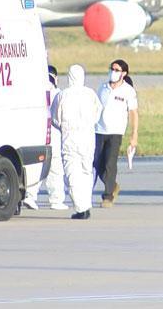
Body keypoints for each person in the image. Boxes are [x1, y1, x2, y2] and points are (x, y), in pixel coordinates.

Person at [51, 64, 102, 219]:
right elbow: (98, 113)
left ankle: (81, 208)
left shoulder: (62, 95)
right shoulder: (90, 94)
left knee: (72, 174)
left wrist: (63, 127)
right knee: (86, 171)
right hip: (88, 138)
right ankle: (86, 204)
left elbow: (54, 117)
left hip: (70, 138)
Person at [93, 59, 139, 208]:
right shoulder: (103, 87)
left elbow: (133, 113)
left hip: (116, 131)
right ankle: (112, 184)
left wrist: (134, 134)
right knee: (96, 162)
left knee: (110, 163)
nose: (113, 72)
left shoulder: (128, 91)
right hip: (99, 129)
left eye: (117, 70)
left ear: (123, 73)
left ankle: (108, 196)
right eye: (112, 69)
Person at [23, 65, 69, 210]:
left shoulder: (35, 91)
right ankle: (56, 200)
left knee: (37, 168)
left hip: (37, 135)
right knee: (55, 170)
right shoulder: (59, 93)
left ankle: (30, 196)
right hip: (54, 136)